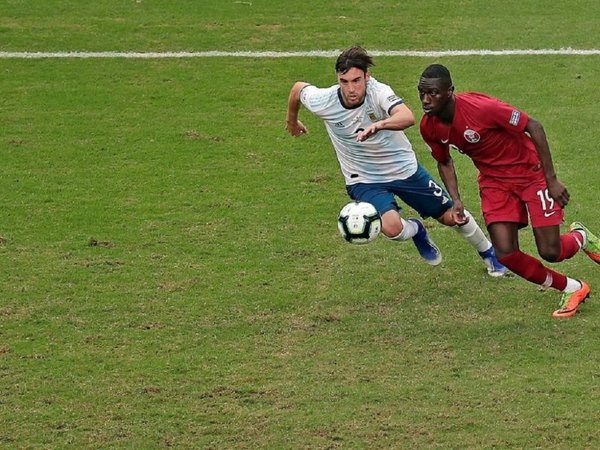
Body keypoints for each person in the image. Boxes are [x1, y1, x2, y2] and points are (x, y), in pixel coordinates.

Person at [285, 45, 506, 276]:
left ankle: (489, 252)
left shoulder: (378, 92)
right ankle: (417, 230)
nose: (351, 88)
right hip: (363, 177)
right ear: (337, 79)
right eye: (344, 81)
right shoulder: (324, 100)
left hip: (404, 170)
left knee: (453, 217)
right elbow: (298, 89)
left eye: (357, 80)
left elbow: (407, 116)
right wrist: (292, 121)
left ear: (367, 77)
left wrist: (379, 124)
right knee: (391, 228)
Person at [417, 63, 600, 318]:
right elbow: (444, 160)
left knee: (551, 251)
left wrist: (551, 179)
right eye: (422, 93)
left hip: (531, 174)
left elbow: (533, 126)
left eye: (433, 93)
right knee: (506, 253)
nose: (426, 100)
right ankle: (572, 288)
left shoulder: (481, 108)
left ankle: (581, 237)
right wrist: (455, 200)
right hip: (494, 183)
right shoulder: (429, 126)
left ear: (450, 91)